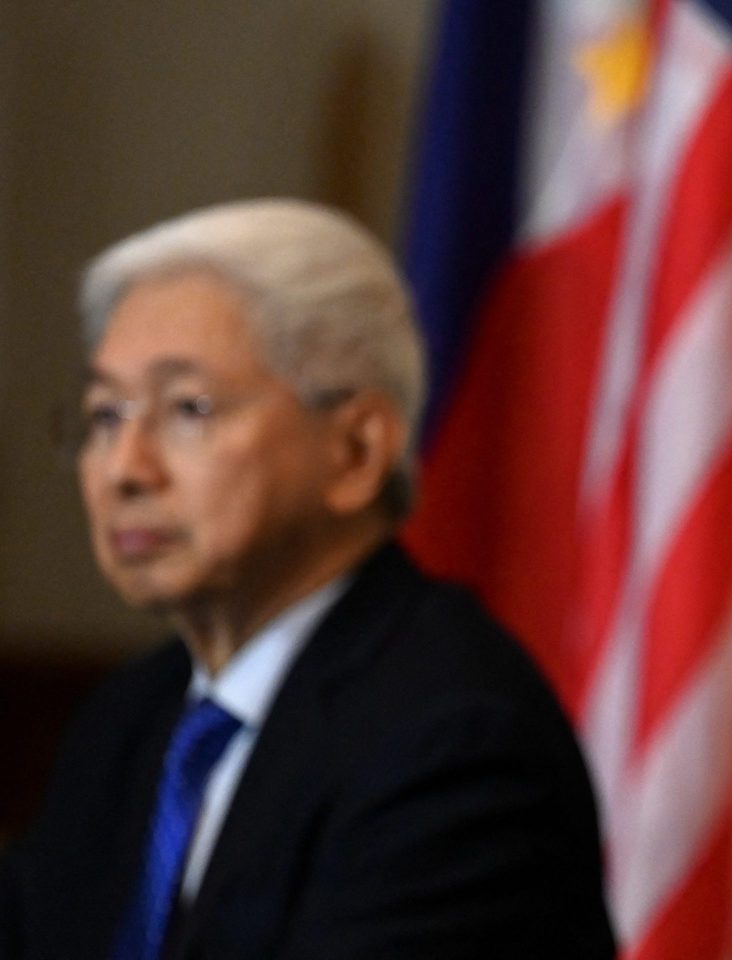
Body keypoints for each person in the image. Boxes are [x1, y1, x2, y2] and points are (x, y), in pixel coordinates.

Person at [0, 199, 616, 958]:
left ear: (355, 452)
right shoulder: (128, 722)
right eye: (105, 415)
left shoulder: (452, 743)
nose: (125, 468)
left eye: (188, 408)